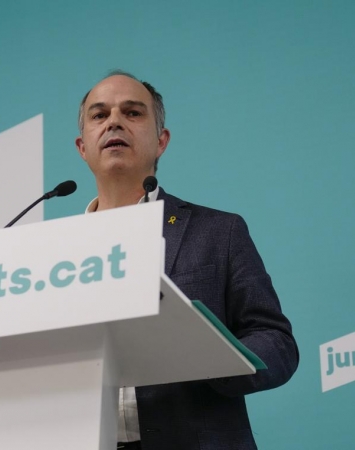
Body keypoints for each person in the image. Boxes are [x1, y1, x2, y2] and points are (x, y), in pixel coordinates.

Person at [75, 71, 299, 450]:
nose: (114, 121)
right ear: (82, 147)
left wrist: (217, 359)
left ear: (161, 141)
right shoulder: (52, 253)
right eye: (100, 115)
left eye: (132, 112)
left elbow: (276, 341)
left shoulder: (218, 231)